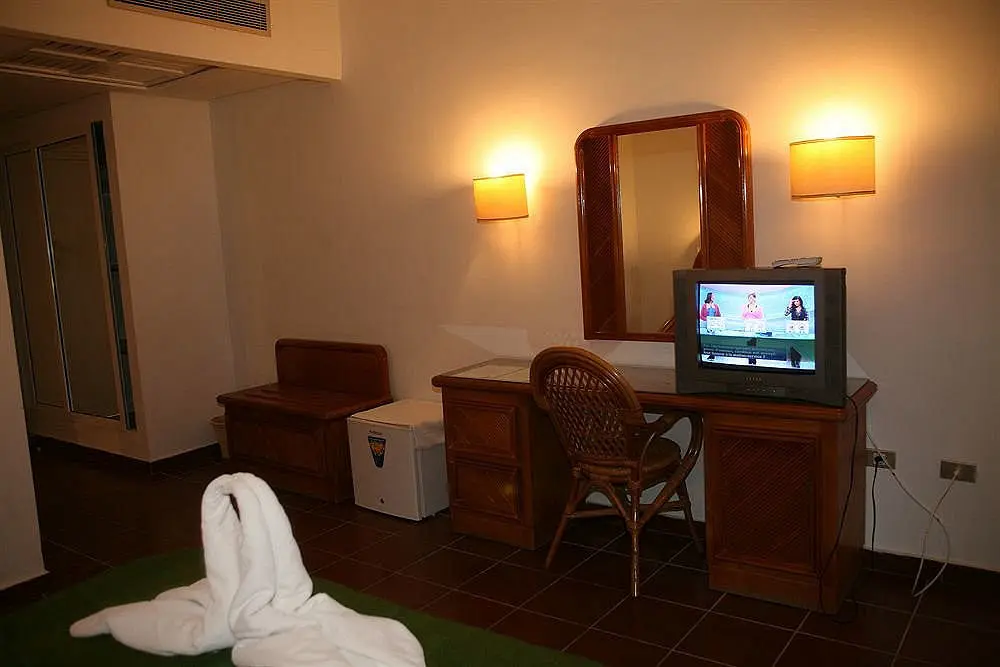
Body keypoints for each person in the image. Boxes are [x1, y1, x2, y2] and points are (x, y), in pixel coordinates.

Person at [742, 292, 765, 364]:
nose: (750, 299)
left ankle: (754, 359)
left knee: (754, 343)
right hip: (747, 327)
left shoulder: (759, 307)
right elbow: (743, 316)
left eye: (751, 298)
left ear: (755, 298)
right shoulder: (745, 307)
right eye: (749, 298)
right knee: (748, 343)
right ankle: (749, 359)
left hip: (755, 327)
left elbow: (761, 317)